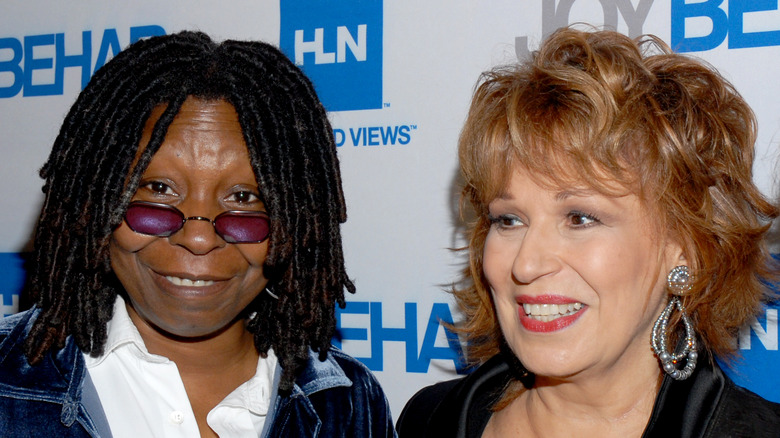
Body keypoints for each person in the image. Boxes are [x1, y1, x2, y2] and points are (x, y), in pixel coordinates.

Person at [0, 31, 395, 437]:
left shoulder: (347, 405)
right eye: (158, 189)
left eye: (244, 196)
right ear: (92, 201)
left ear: (296, 222)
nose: (199, 239)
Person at [397, 27, 780, 437]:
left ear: (684, 246)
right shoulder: (429, 419)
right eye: (508, 220)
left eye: (579, 218)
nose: (526, 264)